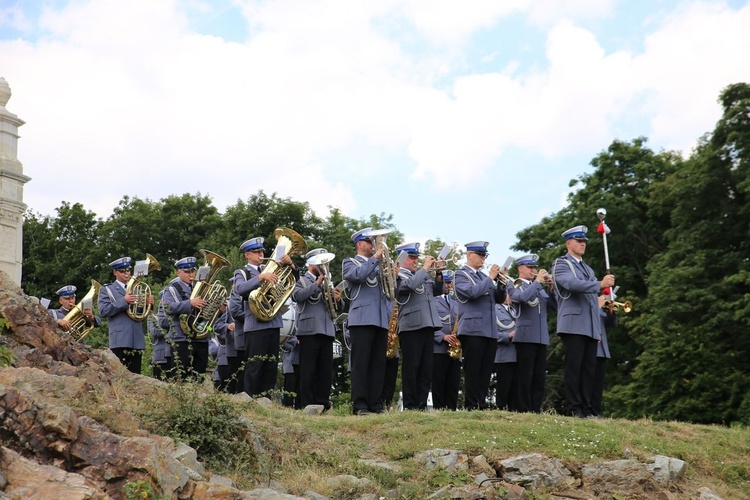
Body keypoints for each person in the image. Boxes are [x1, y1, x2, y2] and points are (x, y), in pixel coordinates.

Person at [552, 225, 615, 418]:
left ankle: (587, 409)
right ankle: (574, 408)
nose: (582, 244)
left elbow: (592, 304)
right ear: (568, 243)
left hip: (590, 326)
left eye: (584, 241)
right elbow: (571, 284)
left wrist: (596, 329)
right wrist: (599, 284)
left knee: (589, 370)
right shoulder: (561, 264)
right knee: (575, 368)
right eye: (579, 241)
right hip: (573, 324)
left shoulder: (587, 268)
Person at [234, 236, 299, 397]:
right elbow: (240, 289)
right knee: (255, 365)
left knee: (270, 366)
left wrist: (290, 264)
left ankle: (266, 400)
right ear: (247, 255)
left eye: (262, 251)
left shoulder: (273, 268)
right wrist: (260, 278)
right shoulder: (242, 272)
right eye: (256, 252)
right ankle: (250, 398)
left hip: (274, 323)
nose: (261, 254)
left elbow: (294, 280)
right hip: (255, 325)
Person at [342, 227, 391, 415]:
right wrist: (376, 258)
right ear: (360, 244)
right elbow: (357, 276)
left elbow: (390, 291)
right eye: (371, 242)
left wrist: (392, 272)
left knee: (378, 365)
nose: (374, 245)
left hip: (380, 319)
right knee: (361, 364)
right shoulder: (350, 262)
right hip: (361, 319)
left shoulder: (378, 264)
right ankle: (360, 405)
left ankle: (375, 404)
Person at [453, 241, 506, 410]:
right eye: (480, 255)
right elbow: (472, 293)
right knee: (473, 370)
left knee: (486, 371)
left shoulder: (484, 277)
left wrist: (502, 283)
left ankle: (481, 404)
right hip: (472, 329)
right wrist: (491, 278)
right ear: (469, 255)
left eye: (485, 255)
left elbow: (498, 299)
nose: (483, 258)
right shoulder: (461, 274)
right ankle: (471, 405)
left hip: (489, 330)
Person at [291, 248, 342, 410]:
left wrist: (338, 300)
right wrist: (317, 283)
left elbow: (336, 308)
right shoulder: (301, 280)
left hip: (327, 329)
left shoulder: (329, 280)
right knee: (308, 369)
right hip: (309, 329)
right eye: (321, 262)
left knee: (325, 370)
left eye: (326, 262)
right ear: (311, 263)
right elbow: (297, 297)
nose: (325, 265)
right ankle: (307, 403)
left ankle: (323, 402)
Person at [394, 242, 442, 411]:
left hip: (428, 323)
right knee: (411, 367)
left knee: (426, 368)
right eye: (411, 257)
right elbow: (408, 286)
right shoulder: (397, 275)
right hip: (411, 325)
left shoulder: (421, 275)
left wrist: (438, 273)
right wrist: (426, 268)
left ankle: (421, 404)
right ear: (401, 259)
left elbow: (438, 290)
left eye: (416, 257)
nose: (415, 261)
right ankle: (410, 404)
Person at [507, 254, 557, 413]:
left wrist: (551, 288)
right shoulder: (514, 285)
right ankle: (523, 408)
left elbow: (554, 307)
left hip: (541, 337)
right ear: (520, 268)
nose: (533, 270)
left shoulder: (539, 287)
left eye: (534, 267)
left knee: (539, 377)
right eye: (530, 267)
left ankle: (535, 408)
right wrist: (536, 282)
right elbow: (522, 298)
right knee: (525, 375)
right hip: (526, 336)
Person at [99, 257, 152, 374]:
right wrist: (124, 300)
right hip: (120, 339)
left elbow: (140, 312)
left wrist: (147, 303)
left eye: (128, 270)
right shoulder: (107, 289)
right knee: (119, 375)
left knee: (137, 375)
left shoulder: (136, 288)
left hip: (136, 338)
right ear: (115, 272)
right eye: (122, 271)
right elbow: (104, 311)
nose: (126, 273)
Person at [162, 256, 211, 382]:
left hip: (200, 336)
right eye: (187, 271)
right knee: (180, 376)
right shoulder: (172, 289)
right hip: (181, 338)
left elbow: (209, 309)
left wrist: (218, 308)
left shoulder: (202, 288)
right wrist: (190, 303)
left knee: (199, 376)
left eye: (192, 271)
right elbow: (168, 307)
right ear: (179, 272)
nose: (191, 274)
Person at [432, 271, 461, 411]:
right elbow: (429, 322)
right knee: (438, 381)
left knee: (453, 382)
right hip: (438, 348)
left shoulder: (456, 303)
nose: (449, 285)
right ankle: (438, 409)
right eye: (446, 282)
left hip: (454, 348)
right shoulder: (432, 300)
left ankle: (452, 410)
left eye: (450, 283)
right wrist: (441, 337)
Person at [591, 294, 618, 416]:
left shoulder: (602, 308)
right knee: (588, 382)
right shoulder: (591, 304)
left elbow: (611, 324)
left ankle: (595, 412)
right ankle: (586, 410)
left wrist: (611, 311)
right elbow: (589, 318)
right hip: (591, 348)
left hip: (602, 351)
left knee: (598, 385)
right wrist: (598, 305)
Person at [494, 294, 517, 411]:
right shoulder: (494, 309)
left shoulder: (515, 309)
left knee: (516, 390)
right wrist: (507, 335)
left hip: (519, 355)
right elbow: (491, 333)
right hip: (504, 354)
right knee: (504, 388)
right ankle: (501, 411)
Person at [148, 290, 174, 380]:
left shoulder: (175, 316)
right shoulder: (153, 317)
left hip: (172, 354)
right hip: (160, 357)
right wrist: (169, 324)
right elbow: (155, 332)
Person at [281, 333, 300, 409]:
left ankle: (300, 407)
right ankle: (287, 407)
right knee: (289, 387)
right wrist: (297, 342)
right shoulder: (292, 323)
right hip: (290, 361)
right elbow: (283, 340)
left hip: (303, 361)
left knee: (301, 387)